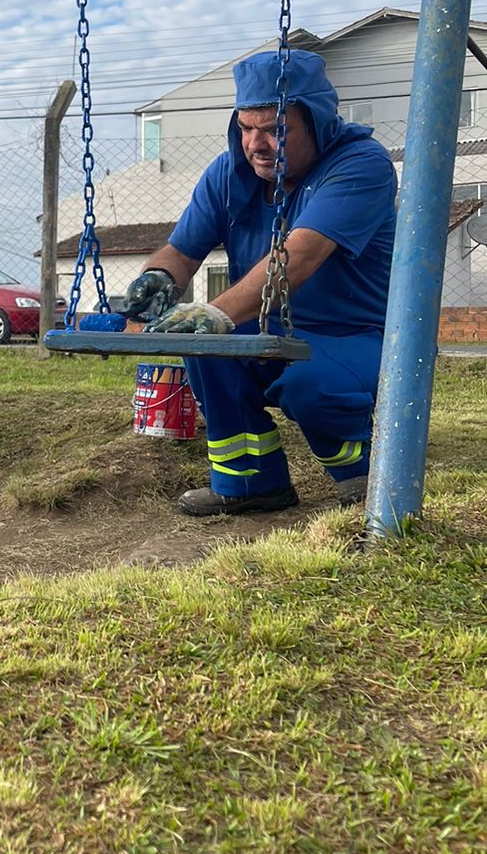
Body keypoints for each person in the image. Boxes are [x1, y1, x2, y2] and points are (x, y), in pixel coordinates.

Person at [120, 48, 396, 516]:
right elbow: (183, 251)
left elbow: (298, 256)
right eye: (246, 128)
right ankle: (250, 483)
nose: (257, 143)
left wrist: (214, 312)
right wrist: (158, 277)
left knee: (309, 386)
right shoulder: (228, 174)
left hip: (358, 336)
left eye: (274, 129)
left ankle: (360, 471)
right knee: (210, 350)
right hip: (274, 328)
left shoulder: (360, 165)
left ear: (318, 122)